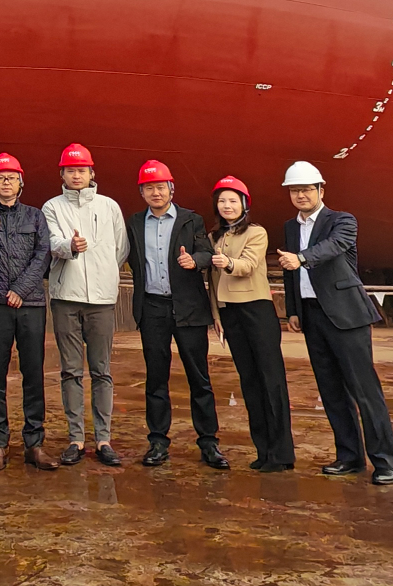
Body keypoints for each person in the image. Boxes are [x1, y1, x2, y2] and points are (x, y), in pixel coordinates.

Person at [275, 160, 393, 485]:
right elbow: (289, 272)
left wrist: (302, 258)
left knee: (364, 390)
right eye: (295, 190)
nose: (301, 195)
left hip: (346, 315)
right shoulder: (290, 227)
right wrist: (293, 310)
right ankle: (349, 457)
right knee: (331, 390)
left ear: (321, 190)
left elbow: (332, 247)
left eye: (306, 189)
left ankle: (386, 462)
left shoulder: (342, 221)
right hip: (312, 315)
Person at [124, 159, 224, 469]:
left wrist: (195, 261)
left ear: (171, 189)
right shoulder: (134, 223)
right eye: (149, 188)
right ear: (141, 192)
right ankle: (157, 441)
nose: (156, 193)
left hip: (188, 307)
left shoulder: (191, 220)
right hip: (152, 307)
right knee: (156, 378)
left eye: (160, 187)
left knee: (199, 377)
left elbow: (207, 253)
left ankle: (209, 442)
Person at [40, 142, 128, 467]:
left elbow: (121, 248)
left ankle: (103, 438)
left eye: (81, 170)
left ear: (92, 173)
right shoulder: (51, 207)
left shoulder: (109, 207)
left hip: (101, 300)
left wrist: (104, 274)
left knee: (102, 370)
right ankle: (76, 439)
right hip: (66, 297)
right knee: (71, 371)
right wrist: (71, 246)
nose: (76, 175)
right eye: (70, 170)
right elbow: (51, 242)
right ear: (61, 174)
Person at [0, 153, 55, 472]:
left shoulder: (35, 216)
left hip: (29, 303)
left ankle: (34, 443)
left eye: (12, 177)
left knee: (33, 371)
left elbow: (43, 254)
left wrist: (20, 289)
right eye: (0, 178)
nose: (6, 182)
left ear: (21, 183)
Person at [207, 175, 294, 472]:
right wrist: (216, 315)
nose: (227, 206)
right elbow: (212, 281)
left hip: (256, 309)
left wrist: (228, 263)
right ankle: (263, 450)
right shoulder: (214, 237)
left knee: (271, 379)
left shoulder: (256, 232)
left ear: (244, 204)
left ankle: (281, 454)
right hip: (230, 312)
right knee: (249, 381)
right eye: (222, 201)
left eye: (233, 200)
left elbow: (249, 264)